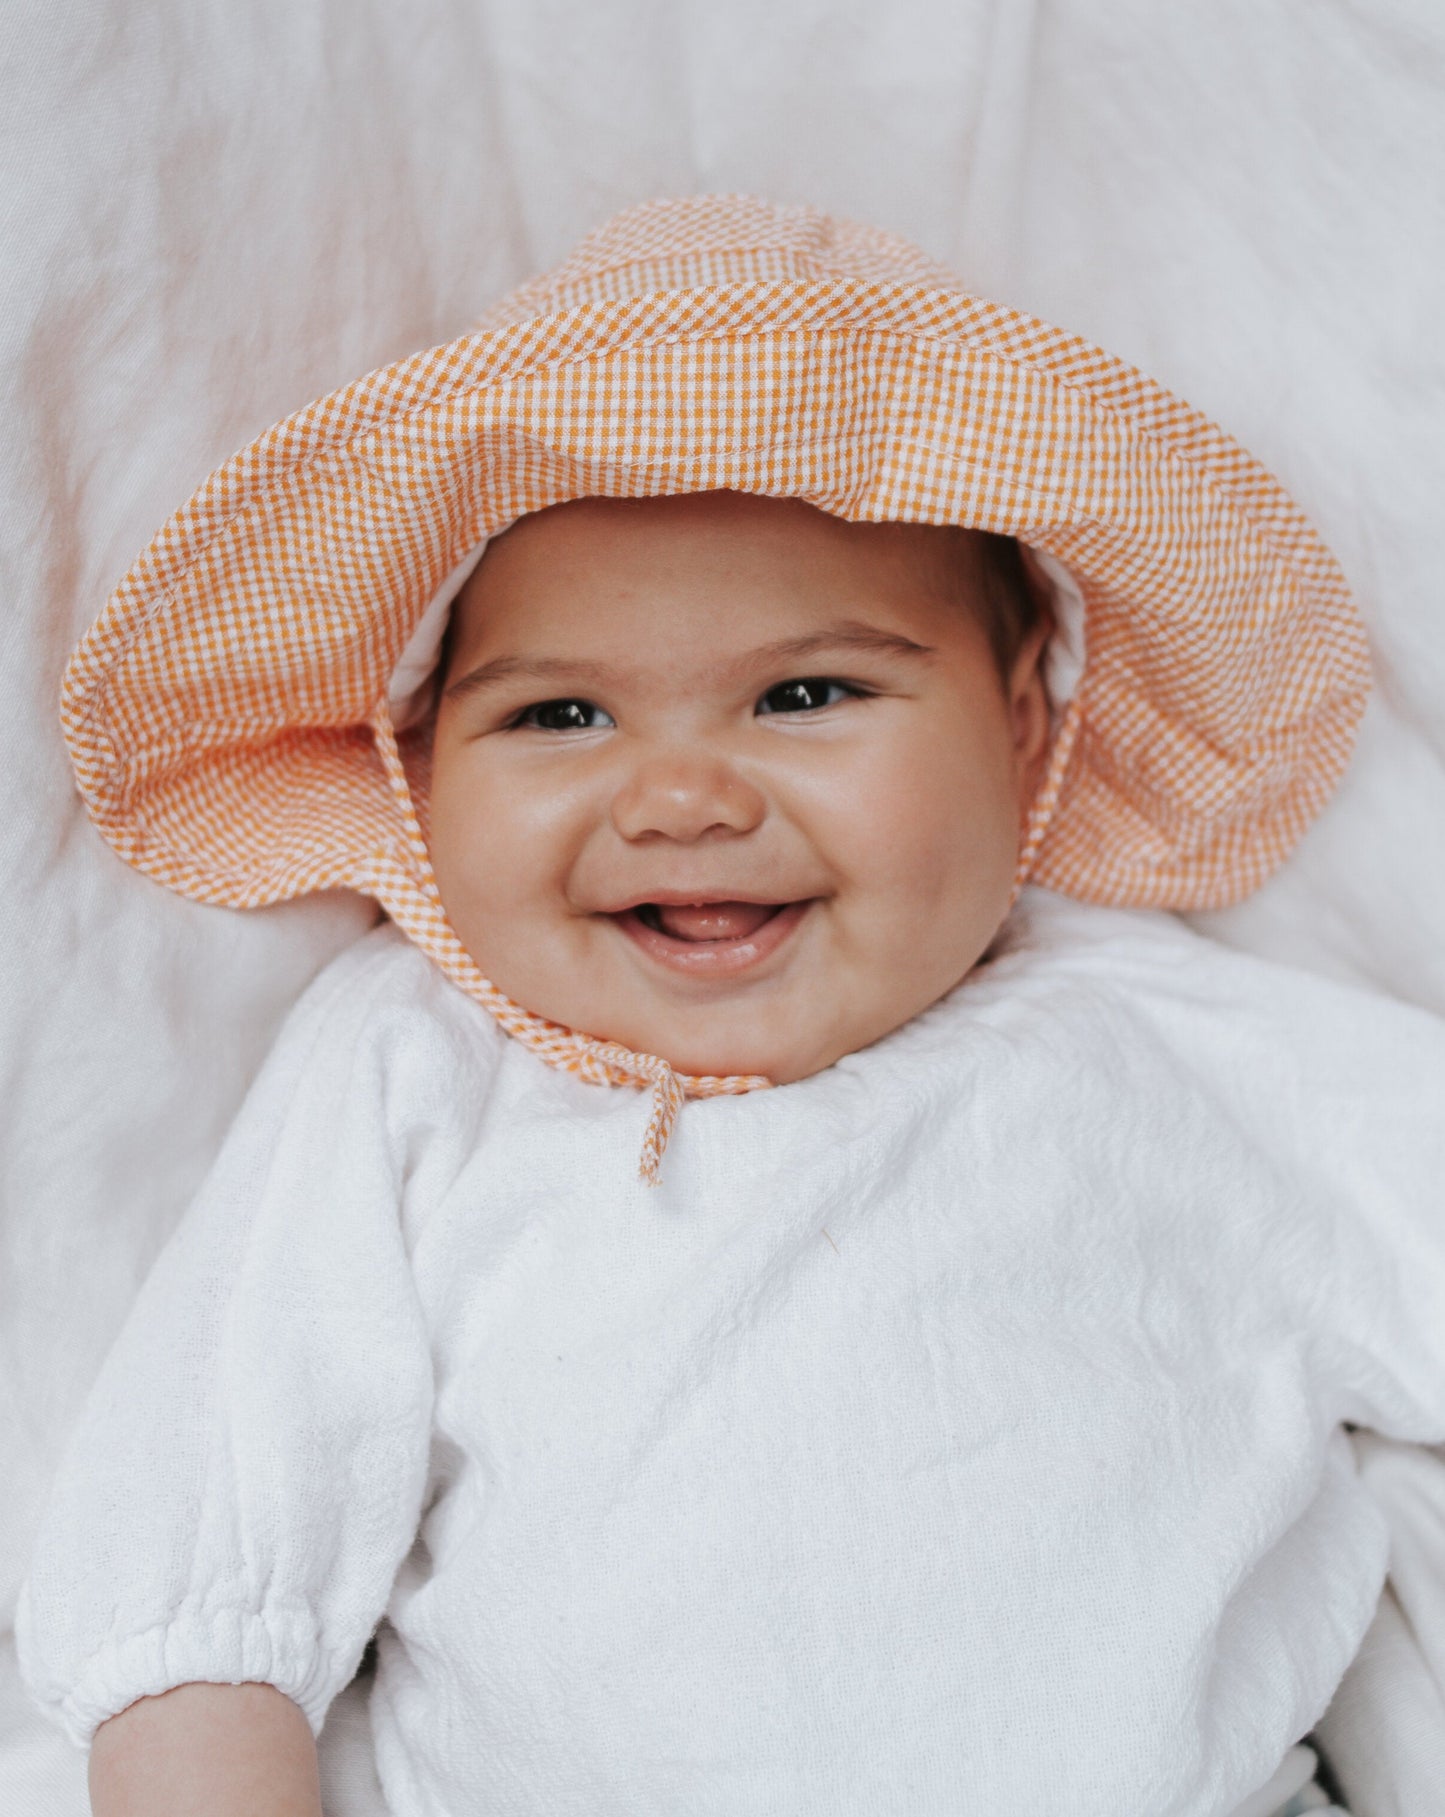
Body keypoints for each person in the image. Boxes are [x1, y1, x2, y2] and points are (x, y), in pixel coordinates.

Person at [17, 196, 1444, 1817]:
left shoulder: (1176, 1056)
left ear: (1029, 726)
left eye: (806, 694)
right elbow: (211, 1548)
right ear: (414, 765)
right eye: (558, 713)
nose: (682, 796)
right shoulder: (415, 1071)